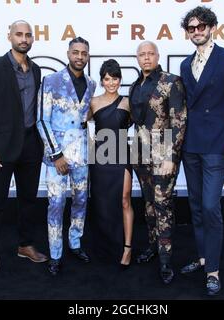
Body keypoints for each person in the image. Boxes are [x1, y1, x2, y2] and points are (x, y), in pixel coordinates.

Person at [179, 6, 224, 295]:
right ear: (187, 32)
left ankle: (213, 270)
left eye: (202, 26)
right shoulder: (185, 65)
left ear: (212, 28)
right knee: (196, 206)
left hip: (218, 145)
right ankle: (202, 257)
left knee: (210, 206)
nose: (197, 31)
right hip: (191, 145)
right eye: (192, 27)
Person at [0, 20, 48, 280]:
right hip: (1, 148)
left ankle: (25, 245)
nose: (24, 38)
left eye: (28, 34)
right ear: (10, 37)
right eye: (19, 34)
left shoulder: (36, 70)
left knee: (28, 200)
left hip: (31, 144)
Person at [37, 37, 96, 275]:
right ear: (68, 54)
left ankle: (75, 242)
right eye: (75, 52)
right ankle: (55, 254)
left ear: (88, 56)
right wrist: (56, 154)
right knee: (57, 204)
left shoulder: (92, 84)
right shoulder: (50, 81)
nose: (79, 56)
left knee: (81, 201)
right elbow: (42, 120)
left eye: (83, 53)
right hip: (57, 157)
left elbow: (86, 119)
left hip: (81, 156)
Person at [129, 41, 187, 284]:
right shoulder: (135, 85)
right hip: (140, 155)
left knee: (163, 206)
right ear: (137, 58)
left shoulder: (171, 82)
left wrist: (171, 157)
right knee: (149, 204)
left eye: (150, 53)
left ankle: (165, 260)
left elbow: (179, 121)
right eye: (142, 54)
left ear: (157, 56)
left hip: (163, 156)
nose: (146, 58)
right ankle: (153, 247)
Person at [89, 59, 134, 268]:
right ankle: (103, 247)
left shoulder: (127, 102)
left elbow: (137, 124)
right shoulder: (94, 102)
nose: (111, 83)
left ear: (120, 80)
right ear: (102, 80)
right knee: (101, 203)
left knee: (125, 199)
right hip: (100, 157)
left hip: (122, 155)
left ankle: (127, 248)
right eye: (107, 79)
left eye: (115, 79)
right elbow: (83, 127)